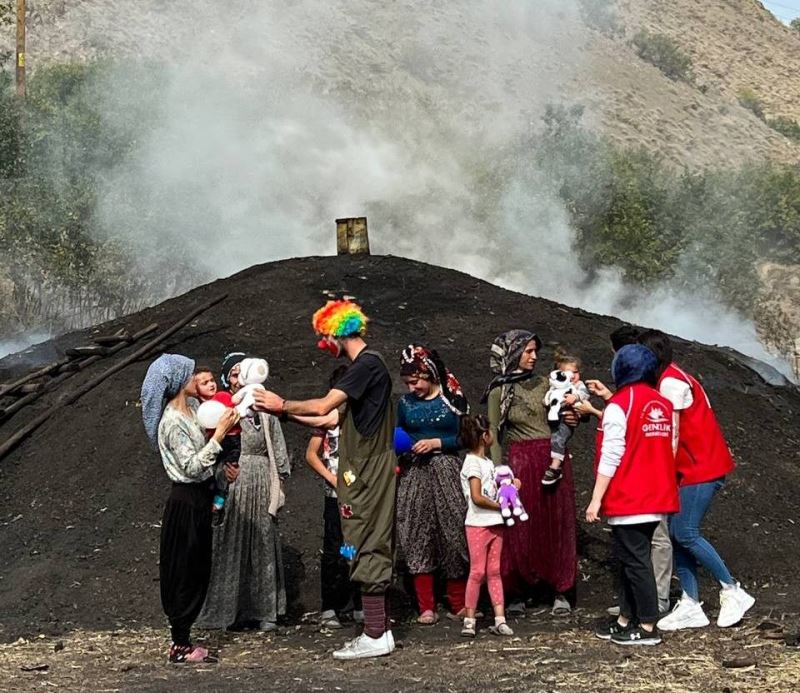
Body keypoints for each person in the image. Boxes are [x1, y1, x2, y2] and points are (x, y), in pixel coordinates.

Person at [253, 299, 397, 660]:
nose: (323, 346)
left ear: (335, 332)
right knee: (357, 541)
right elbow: (332, 421)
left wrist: (282, 404)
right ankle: (375, 630)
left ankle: (377, 634)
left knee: (368, 540)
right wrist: (282, 415)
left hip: (367, 468)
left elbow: (322, 407)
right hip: (358, 468)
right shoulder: (364, 370)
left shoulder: (366, 365)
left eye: (323, 337)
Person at [636, 330, 755, 631]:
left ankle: (732, 589)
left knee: (686, 532)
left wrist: (658, 472)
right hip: (689, 468)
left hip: (701, 467)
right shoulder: (673, 377)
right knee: (677, 534)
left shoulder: (671, 383)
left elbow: (671, 434)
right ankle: (690, 602)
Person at [140, 353, 239, 663]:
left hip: (201, 495)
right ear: (180, 382)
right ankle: (180, 644)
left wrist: (223, 463)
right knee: (183, 568)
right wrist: (220, 434)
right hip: (185, 499)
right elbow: (192, 465)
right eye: (190, 374)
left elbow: (207, 454)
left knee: (197, 567)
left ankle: (184, 638)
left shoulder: (194, 410)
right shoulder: (171, 421)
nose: (196, 378)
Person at [587, 344, 679, 647]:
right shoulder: (661, 403)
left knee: (636, 563)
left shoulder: (619, 406)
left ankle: (649, 625)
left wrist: (596, 498)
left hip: (631, 496)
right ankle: (626, 618)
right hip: (657, 494)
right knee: (630, 560)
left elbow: (612, 454)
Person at [483, 329, 577, 616]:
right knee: (519, 526)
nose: (534, 357)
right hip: (520, 463)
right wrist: (501, 473)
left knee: (556, 522)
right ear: (512, 353)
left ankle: (560, 589)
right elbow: (495, 434)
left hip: (551, 461)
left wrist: (572, 416)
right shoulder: (499, 390)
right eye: (528, 351)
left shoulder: (546, 384)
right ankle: (518, 590)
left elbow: (565, 414)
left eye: (536, 351)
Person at [196, 352, 291, 633]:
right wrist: (220, 470)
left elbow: (277, 443)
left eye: (242, 373)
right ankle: (228, 610)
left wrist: (280, 479)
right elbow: (208, 444)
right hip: (235, 478)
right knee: (231, 540)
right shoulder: (221, 407)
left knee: (263, 540)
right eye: (234, 375)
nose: (239, 380)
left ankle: (266, 610)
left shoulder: (264, 405)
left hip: (262, 478)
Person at [396, 344, 470, 624]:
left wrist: (439, 443)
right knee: (416, 530)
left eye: (416, 381)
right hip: (414, 471)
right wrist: (404, 445)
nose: (412, 387)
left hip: (446, 468)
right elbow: (398, 433)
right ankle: (426, 605)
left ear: (429, 373)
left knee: (453, 529)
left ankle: (458, 602)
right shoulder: (405, 404)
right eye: (407, 383)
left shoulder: (453, 398)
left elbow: (468, 437)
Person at [305, 364, 363, 629]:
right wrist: (331, 478)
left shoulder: (363, 419)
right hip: (334, 495)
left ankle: (357, 602)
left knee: (354, 547)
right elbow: (311, 455)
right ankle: (330, 605)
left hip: (359, 494)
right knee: (334, 548)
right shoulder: (328, 420)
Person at [459, 414, 515, 638]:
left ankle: (500, 618)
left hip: (495, 525)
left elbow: (494, 487)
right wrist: (501, 507)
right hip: (478, 525)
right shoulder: (472, 463)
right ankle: (469, 620)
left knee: (494, 571)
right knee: (477, 571)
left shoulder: (488, 463)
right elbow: (477, 497)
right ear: (484, 436)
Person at [195, 366, 241, 524]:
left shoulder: (222, 397)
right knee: (212, 471)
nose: (210, 385)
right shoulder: (196, 407)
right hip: (211, 443)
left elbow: (234, 411)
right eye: (204, 383)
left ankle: (220, 497)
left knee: (227, 468)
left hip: (230, 438)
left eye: (212, 380)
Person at [542, 348, 590, 487]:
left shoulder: (578, 386)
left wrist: (575, 398)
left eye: (575, 372)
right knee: (555, 438)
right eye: (569, 373)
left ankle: (555, 467)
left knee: (558, 438)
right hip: (555, 418)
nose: (573, 376)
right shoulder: (556, 386)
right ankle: (560, 455)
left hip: (565, 419)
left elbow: (584, 395)